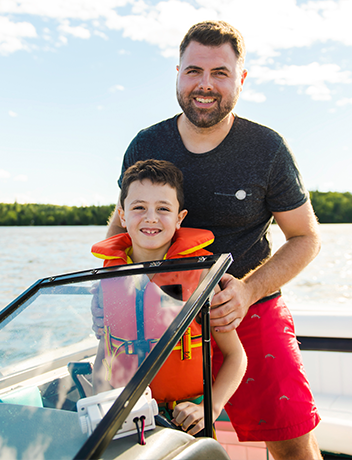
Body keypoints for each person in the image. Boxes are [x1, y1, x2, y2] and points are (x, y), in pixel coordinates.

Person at [93, 20, 322, 459]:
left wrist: (248, 289)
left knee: (293, 443)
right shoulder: (146, 143)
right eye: (194, 71)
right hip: (161, 319)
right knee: (161, 442)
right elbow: (123, 220)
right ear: (177, 73)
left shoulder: (267, 149)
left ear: (241, 79)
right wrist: (106, 293)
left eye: (220, 73)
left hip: (247, 310)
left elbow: (305, 237)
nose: (205, 85)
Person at [92, 159, 247, 436]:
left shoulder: (200, 278)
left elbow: (237, 356)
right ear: (122, 216)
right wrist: (100, 406)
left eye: (163, 209)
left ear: (180, 218)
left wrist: (210, 409)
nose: (151, 217)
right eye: (139, 207)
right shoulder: (109, 278)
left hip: (186, 420)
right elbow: (105, 352)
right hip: (125, 417)